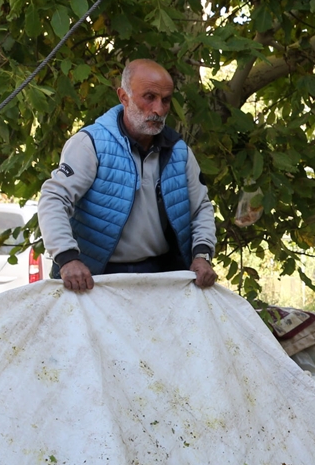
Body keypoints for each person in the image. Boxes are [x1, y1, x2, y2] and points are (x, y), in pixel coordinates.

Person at [38, 59, 218, 292]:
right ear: (124, 97)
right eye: (149, 97)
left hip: (161, 276)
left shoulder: (178, 151)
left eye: (165, 100)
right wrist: (67, 257)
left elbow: (200, 208)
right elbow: (54, 199)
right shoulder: (90, 143)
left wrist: (202, 255)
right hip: (94, 277)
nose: (158, 110)